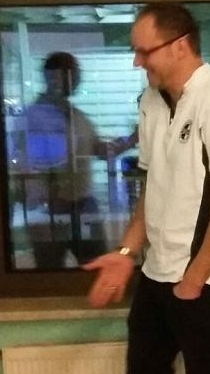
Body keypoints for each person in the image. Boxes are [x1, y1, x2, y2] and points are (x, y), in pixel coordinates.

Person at [83, 2, 210, 374]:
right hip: (156, 272)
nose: (136, 61)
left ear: (181, 46)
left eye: (145, 51)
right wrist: (126, 253)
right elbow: (154, 187)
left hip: (206, 279)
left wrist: (193, 281)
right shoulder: (150, 100)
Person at [19, 51, 136, 269]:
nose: (78, 79)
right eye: (73, 73)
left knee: (96, 267)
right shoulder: (35, 116)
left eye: (77, 73)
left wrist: (133, 139)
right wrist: (50, 201)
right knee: (49, 274)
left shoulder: (76, 116)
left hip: (82, 206)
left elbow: (100, 150)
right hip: (50, 210)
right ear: (54, 76)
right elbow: (35, 165)